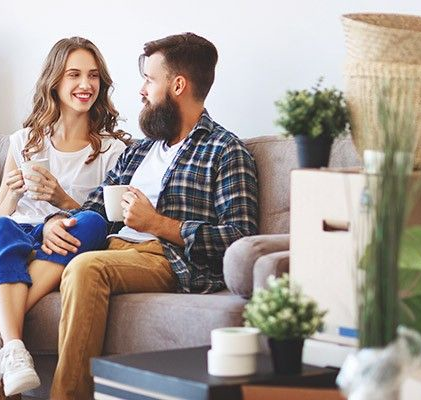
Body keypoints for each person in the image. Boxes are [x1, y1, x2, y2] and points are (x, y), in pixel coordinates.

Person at [40, 32, 259, 399]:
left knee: (85, 267)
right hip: (110, 246)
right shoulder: (139, 151)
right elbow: (94, 207)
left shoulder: (226, 151)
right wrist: (52, 223)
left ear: (177, 85)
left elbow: (239, 238)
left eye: (148, 79)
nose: (141, 90)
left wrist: (157, 224)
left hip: (163, 258)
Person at [0, 37, 130, 398]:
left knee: (92, 224)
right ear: (55, 82)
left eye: (93, 76)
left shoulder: (113, 150)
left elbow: (111, 221)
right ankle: (14, 350)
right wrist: (13, 193)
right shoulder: (25, 141)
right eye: (74, 75)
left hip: (66, 239)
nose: (86, 85)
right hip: (18, 236)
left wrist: (60, 200)